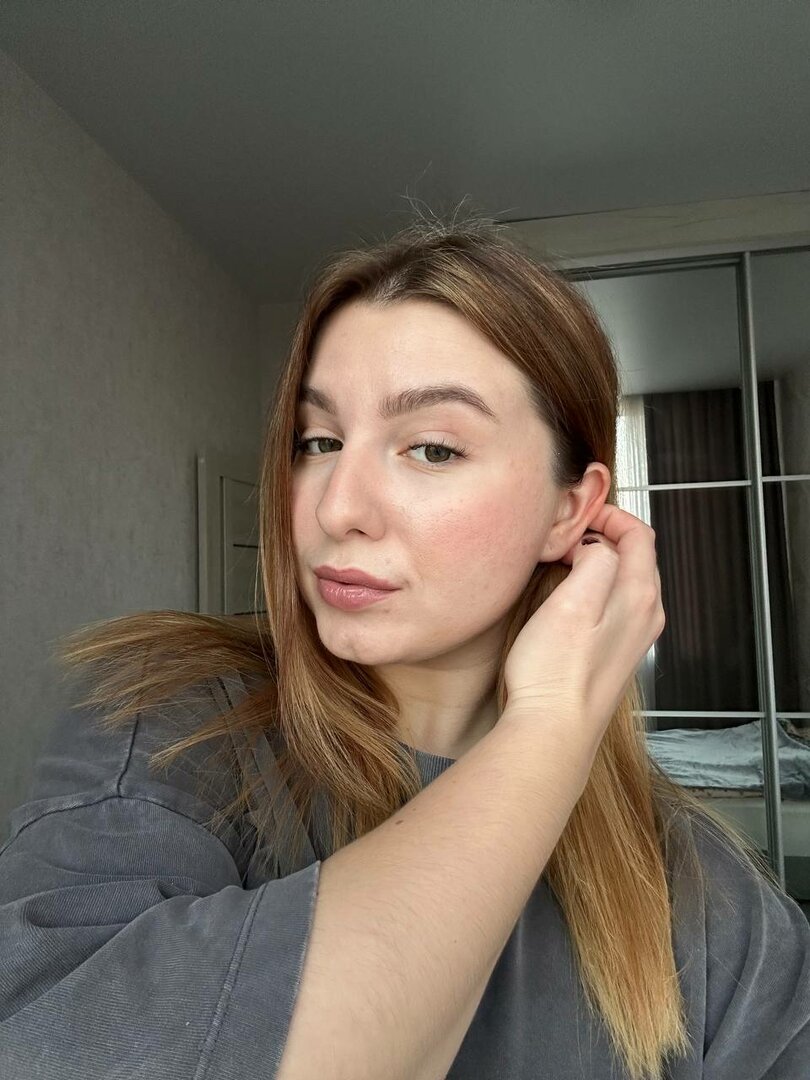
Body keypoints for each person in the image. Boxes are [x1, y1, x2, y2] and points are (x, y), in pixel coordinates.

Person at [1, 213, 808, 1080]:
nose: (337, 506)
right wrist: (548, 732)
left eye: (431, 448)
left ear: (570, 509)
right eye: (319, 441)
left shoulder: (700, 891)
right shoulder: (167, 721)